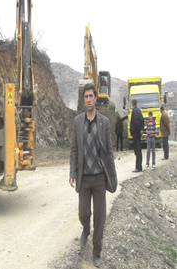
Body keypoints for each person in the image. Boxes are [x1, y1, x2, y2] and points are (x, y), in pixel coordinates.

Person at [70, 83, 117, 268]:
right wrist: (73, 172)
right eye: (86, 97)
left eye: (91, 96)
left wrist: (112, 175)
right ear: (83, 100)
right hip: (84, 177)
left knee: (100, 217)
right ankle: (85, 229)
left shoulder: (104, 122)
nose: (88, 99)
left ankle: (96, 252)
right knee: (84, 213)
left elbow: (110, 152)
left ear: (96, 99)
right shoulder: (77, 122)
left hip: (99, 178)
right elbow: (74, 149)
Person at [130, 99, 145, 172]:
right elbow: (142, 120)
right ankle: (140, 166)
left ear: (132, 104)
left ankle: (138, 167)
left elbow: (135, 121)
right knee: (139, 149)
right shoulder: (139, 111)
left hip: (136, 133)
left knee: (137, 150)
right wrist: (142, 129)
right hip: (138, 133)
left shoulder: (134, 111)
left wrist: (139, 130)